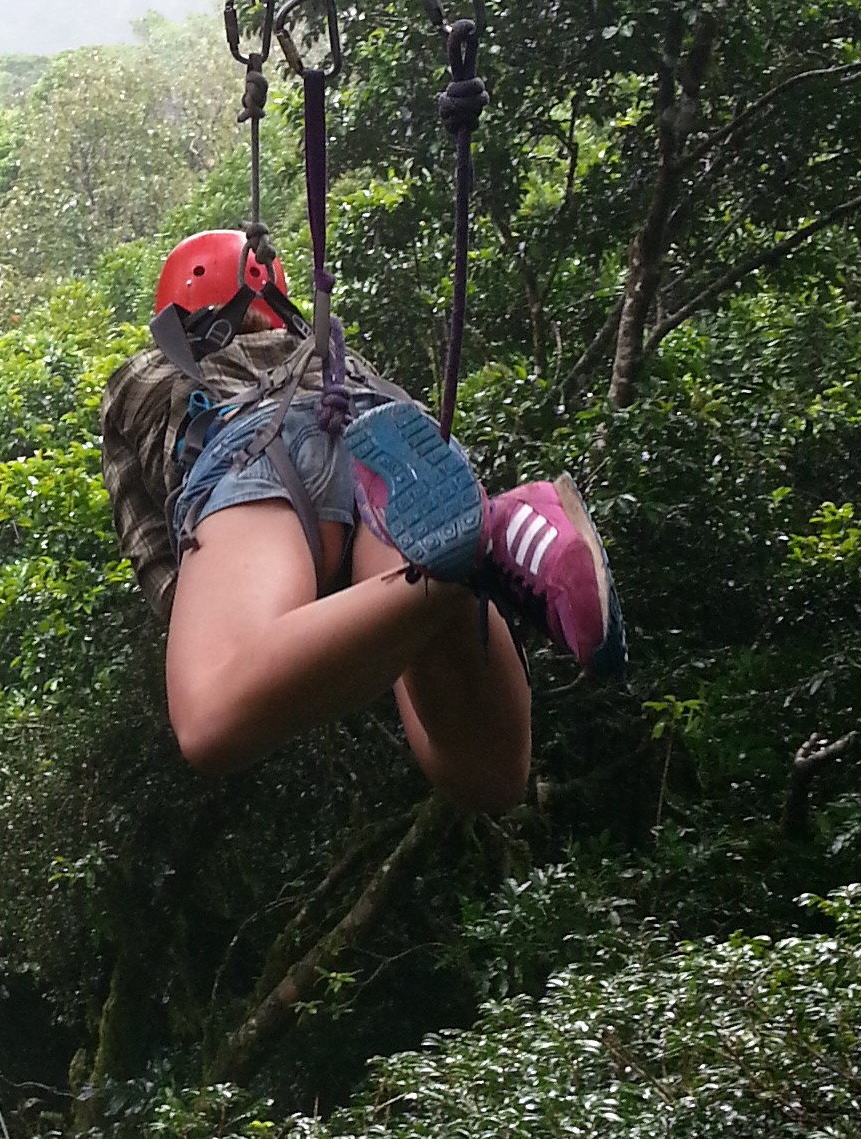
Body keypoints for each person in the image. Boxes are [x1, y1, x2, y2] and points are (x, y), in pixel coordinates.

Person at [101, 228, 624, 810]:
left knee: (212, 711)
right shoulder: (340, 356)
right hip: (383, 446)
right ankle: (488, 537)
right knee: (487, 776)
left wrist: (207, 606)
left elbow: (152, 549)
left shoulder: (144, 373)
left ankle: (486, 535)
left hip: (252, 449)